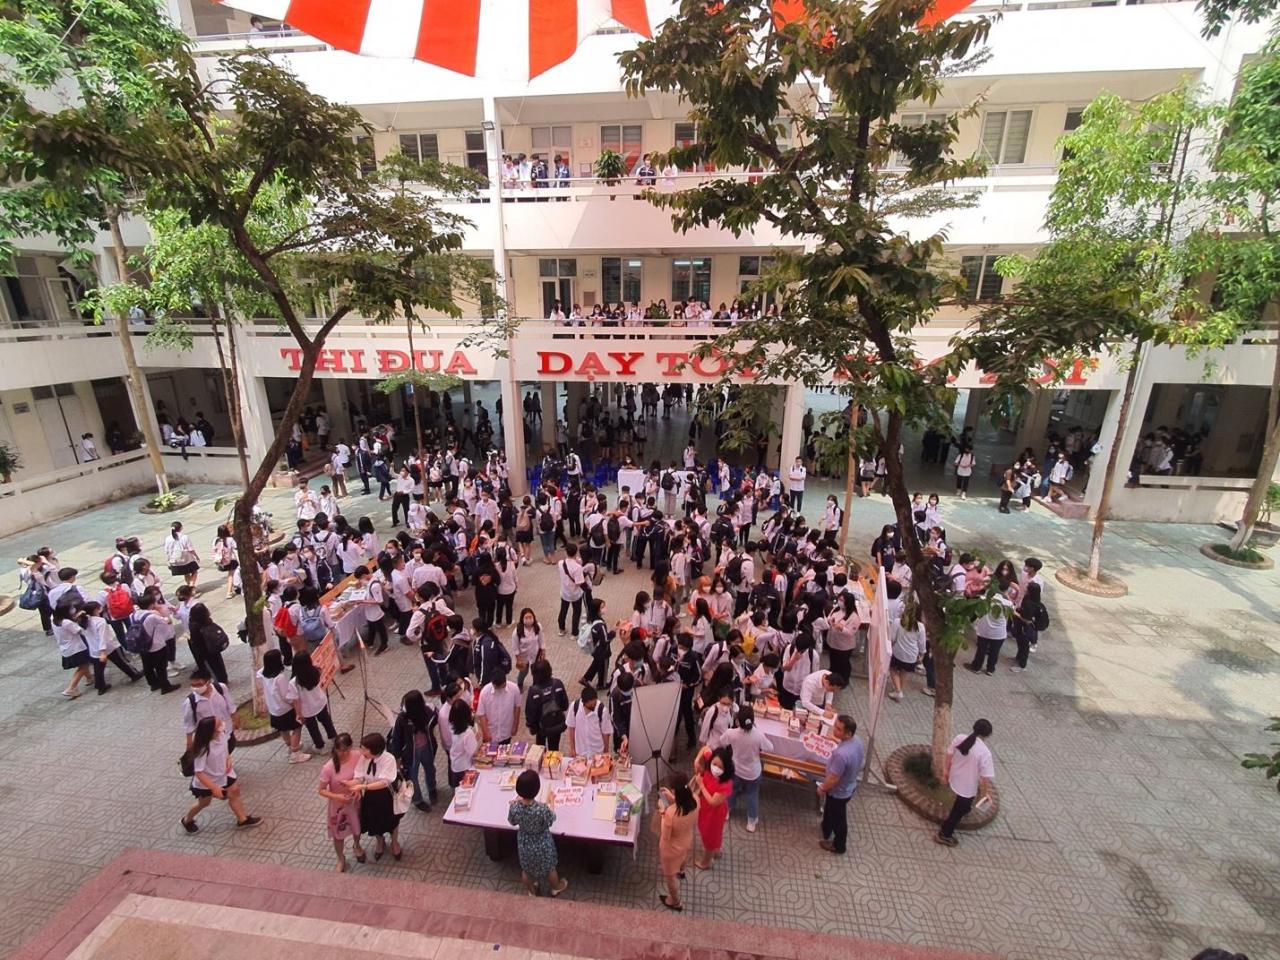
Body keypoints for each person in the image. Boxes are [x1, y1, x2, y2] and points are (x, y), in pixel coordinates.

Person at [180, 716, 262, 832]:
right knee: (204, 803)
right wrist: (213, 788)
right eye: (219, 725)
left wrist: (228, 759)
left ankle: (242, 819)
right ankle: (187, 820)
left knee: (234, 791)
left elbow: (225, 748)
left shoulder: (222, 735)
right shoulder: (202, 749)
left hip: (224, 773)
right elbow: (198, 772)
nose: (223, 725)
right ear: (211, 732)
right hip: (207, 782)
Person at [507, 769, 569, 897]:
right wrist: (552, 801)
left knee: (526, 870)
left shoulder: (514, 807)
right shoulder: (541, 809)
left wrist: (514, 803)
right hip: (542, 843)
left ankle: (532, 891)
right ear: (537, 789)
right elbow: (551, 819)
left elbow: (512, 821)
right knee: (550, 868)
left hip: (524, 843)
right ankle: (556, 887)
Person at [936, 718, 995, 847]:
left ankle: (965, 810)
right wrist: (985, 794)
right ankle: (944, 834)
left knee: (963, 805)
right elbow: (984, 779)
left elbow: (949, 754)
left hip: (955, 776)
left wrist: (946, 771)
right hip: (967, 787)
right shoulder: (985, 753)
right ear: (987, 735)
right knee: (957, 811)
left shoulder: (960, 738)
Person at [348, 732, 403, 861]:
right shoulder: (364, 758)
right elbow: (359, 775)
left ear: (375, 749)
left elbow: (384, 782)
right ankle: (380, 841)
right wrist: (351, 783)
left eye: (364, 749)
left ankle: (394, 842)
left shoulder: (388, 759)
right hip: (371, 796)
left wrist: (362, 786)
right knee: (374, 820)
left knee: (392, 820)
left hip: (386, 795)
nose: (361, 751)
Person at [817, 714, 864, 855]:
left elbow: (833, 778)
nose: (834, 730)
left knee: (839, 818)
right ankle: (826, 828)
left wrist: (822, 787)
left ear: (848, 733)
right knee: (830, 810)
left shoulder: (841, 755)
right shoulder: (857, 741)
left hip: (839, 792)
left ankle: (839, 845)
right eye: (835, 726)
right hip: (849, 786)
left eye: (838, 729)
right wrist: (835, 740)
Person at [318, 733, 366, 872]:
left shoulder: (358, 756)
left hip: (355, 801)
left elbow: (363, 775)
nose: (343, 753)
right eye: (340, 750)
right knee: (338, 835)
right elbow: (321, 790)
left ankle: (357, 845)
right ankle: (340, 858)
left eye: (346, 750)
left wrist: (358, 789)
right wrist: (337, 797)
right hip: (338, 806)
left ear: (351, 747)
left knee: (357, 828)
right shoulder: (328, 767)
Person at [722, 705, 773, 833]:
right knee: (752, 795)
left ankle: (727, 810)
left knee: (732, 791)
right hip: (753, 773)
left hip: (736, 770)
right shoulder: (758, 735)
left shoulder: (731, 733)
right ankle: (751, 821)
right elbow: (770, 748)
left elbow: (722, 741)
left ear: (738, 721)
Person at [390, 689, 439, 813]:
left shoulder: (427, 712)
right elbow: (396, 738)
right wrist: (397, 757)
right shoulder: (402, 718)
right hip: (410, 752)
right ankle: (417, 800)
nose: (403, 706)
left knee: (430, 768)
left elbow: (436, 717)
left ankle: (432, 789)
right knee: (412, 777)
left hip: (427, 747)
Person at [258, 648, 310, 763]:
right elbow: (287, 696)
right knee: (297, 727)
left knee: (283, 729)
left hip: (274, 710)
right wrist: (296, 703)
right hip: (284, 709)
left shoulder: (263, 673)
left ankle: (290, 745)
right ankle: (295, 753)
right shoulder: (279, 678)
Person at [656, 772, 699, 912]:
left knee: (670, 877)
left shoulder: (670, 813)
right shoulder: (696, 800)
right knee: (683, 856)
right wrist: (673, 798)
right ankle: (681, 871)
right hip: (686, 840)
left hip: (671, 850)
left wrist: (663, 812)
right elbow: (683, 803)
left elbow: (665, 835)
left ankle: (675, 901)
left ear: (675, 791)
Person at [692, 744, 733, 869]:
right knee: (713, 833)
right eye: (714, 764)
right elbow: (705, 749)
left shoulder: (725, 784)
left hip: (714, 813)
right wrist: (696, 760)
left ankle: (706, 862)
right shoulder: (711, 760)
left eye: (720, 767)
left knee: (709, 835)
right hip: (704, 808)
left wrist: (701, 785)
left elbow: (713, 802)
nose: (716, 768)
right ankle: (716, 850)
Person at [293, 650, 337, 750]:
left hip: (307, 710)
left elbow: (296, 701)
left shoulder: (294, 683)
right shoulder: (316, 671)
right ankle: (334, 738)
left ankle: (320, 747)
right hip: (320, 702)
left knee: (313, 729)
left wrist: (299, 714)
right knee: (326, 721)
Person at [525, 658, 569, 751]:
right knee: (554, 748)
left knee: (540, 749)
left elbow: (530, 712)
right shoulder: (558, 684)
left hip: (541, 728)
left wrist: (532, 726)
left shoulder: (533, 691)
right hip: (556, 725)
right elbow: (565, 705)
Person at [51, 604, 92, 699]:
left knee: (82, 664)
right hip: (76, 648)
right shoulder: (67, 623)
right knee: (84, 666)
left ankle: (90, 678)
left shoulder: (54, 619)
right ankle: (71, 688)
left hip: (66, 648)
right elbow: (79, 630)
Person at [186, 602, 230, 685]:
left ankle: (219, 681)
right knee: (219, 664)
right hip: (214, 647)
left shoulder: (193, 625)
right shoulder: (207, 621)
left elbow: (195, 640)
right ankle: (223, 679)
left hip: (204, 651)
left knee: (211, 667)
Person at [566, 685, 614, 757]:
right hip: (580, 753)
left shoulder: (602, 711)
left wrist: (605, 752)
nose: (594, 707)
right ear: (584, 702)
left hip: (597, 753)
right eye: (591, 705)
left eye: (595, 703)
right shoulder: (574, 707)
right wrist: (572, 748)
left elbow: (606, 733)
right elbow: (571, 728)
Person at [477, 668, 521, 745]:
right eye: (498, 687)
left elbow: (517, 707)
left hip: (506, 732)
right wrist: (485, 732)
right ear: (493, 684)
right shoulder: (485, 692)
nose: (500, 689)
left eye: (503, 685)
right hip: (491, 733)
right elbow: (481, 714)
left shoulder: (514, 689)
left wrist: (515, 725)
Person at [447, 699, 478, 788]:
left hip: (455, 764)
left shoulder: (451, 726)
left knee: (458, 788)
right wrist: (477, 737)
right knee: (467, 788)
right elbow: (473, 751)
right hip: (465, 766)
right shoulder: (468, 733)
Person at [164, 521, 201, 590]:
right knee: (194, 571)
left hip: (175, 561)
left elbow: (167, 551)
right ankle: (191, 586)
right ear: (181, 528)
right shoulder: (185, 537)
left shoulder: (168, 538)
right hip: (187, 559)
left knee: (186, 573)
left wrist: (169, 561)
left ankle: (190, 587)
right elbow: (191, 549)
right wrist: (196, 556)